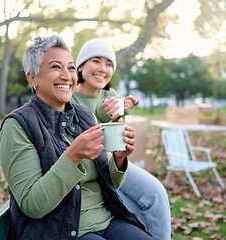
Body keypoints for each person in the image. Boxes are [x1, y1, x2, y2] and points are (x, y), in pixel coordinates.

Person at [0, 34, 152, 240]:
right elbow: (32, 205)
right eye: (55, 67)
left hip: (108, 221)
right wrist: (73, 156)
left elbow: (111, 185)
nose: (66, 75)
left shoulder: (83, 115)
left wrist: (119, 158)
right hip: (62, 231)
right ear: (32, 78)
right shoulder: (17, 125)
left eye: (70, 68)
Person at [71, 38, 171, 240]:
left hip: (113, 163)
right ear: (80, 66)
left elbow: (115, 128)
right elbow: (97, 114)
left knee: (156, 193)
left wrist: (125, 107)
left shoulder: (112, 95)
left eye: (109, 64)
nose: (103, 69)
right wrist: (106, 113)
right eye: (96, 61)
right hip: (85, 169)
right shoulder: (69, 97)